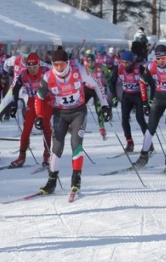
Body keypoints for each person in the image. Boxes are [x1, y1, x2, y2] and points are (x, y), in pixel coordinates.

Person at [35, 48, 111, 196]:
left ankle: (76, 178)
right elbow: (39, 97)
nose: (59, 68)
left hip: (78, 113)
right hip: (60, 114)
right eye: (56, 65)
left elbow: (97, 84)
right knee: (57, 147)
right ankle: (51, 181)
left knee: (76, 143)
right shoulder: (48, 77)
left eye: (62, 65)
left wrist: (105, 105)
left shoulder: (79, 71)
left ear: (68, 63)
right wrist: (39, 116)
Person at [0, 52, 53, 168]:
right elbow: (15, 89)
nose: (32, 69)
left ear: (39, 65)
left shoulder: (46, 72)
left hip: (45, 101)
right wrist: (14, 105)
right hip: (32, 101)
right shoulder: (23, 74)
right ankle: (21, 156)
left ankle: (47, 155)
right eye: (30, 66)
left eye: (35, 67)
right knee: (26, 129)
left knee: (45, 126)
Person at [108, 50, 148, 152]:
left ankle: (149, 143)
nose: (125, 65)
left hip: (138, 95)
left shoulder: (139, 68)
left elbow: (149, 81)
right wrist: (114, 97)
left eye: (127, 63)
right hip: (127, 95)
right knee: (124, 119)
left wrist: (147, 100)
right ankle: (130, 143)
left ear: (132, 62)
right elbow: (111, 82)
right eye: (123, 62)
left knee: (140, 119)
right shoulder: (119, 68)